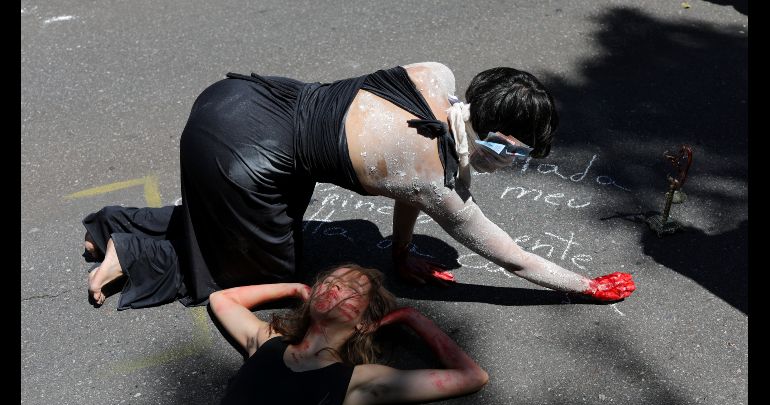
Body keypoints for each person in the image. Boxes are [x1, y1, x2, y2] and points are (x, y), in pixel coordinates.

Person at [83, 62, 635, 310]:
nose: (519, 161)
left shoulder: (437, 78)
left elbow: (407, 182)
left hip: (246, 101)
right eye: (518, 152)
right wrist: (584, 286)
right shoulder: (434, 181)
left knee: (235, 225)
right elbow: (512, 258)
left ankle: (122, 225)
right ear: (496, 141)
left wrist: (401, 250)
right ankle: (131, 251)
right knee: (255, 277)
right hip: (243, 155)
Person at [152, 263, 489, 405]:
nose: (334, 287)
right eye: (330, 280)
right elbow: (222, 299)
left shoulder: (357, 382)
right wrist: (296, 288)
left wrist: (413, 317)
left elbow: (472, 376)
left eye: (351, 289)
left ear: (364, 322)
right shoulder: (267, 343)